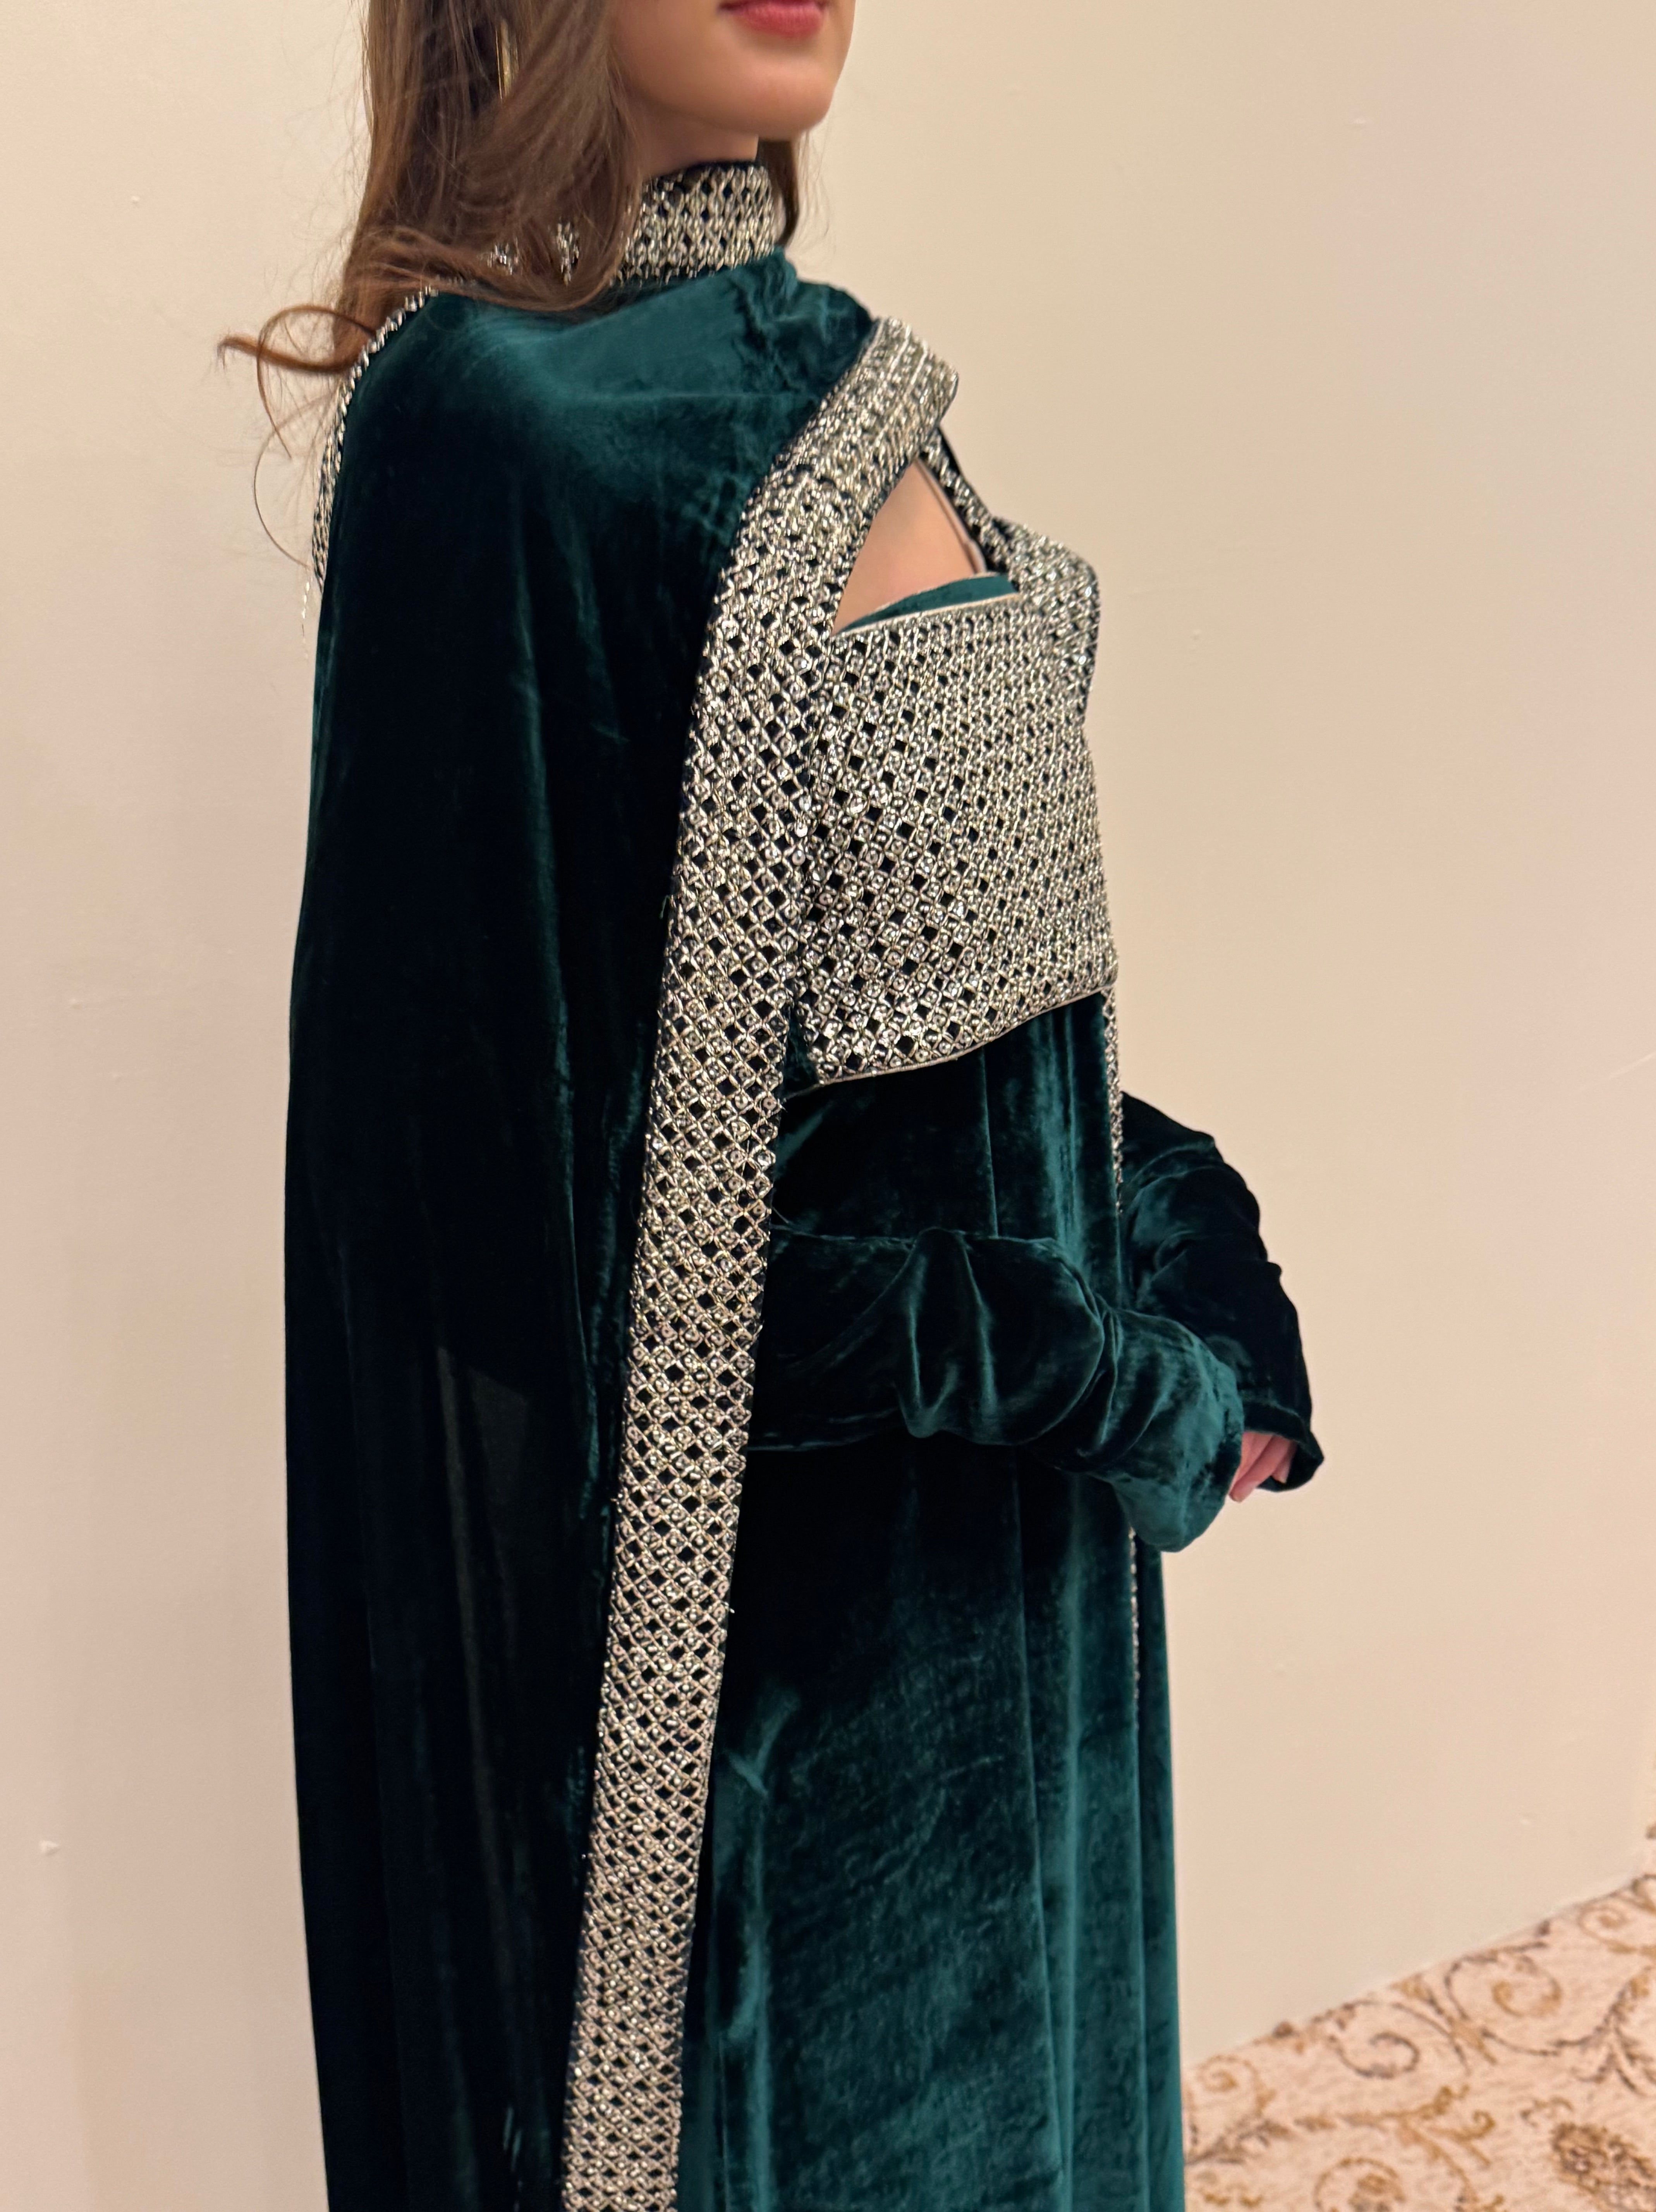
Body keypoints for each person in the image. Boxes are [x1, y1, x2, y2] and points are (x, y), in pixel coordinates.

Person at [240, 1, 1321, 2205]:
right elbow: (510, 1230)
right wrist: (1112, 1380)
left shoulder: (831, 383)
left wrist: (1201, 1253)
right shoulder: (498, 426)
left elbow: (965, 1053)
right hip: (779, 1722)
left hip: (1022, 1614)